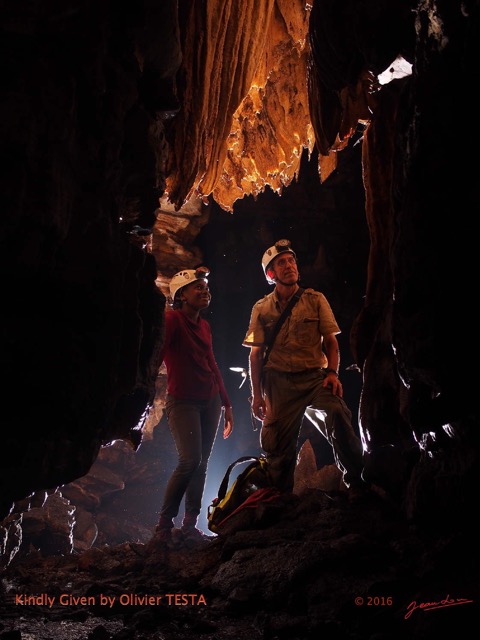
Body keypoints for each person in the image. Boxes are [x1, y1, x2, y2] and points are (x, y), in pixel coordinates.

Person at [243, 239, 366, 494]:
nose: (289, 266)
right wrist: (257, 395)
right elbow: (256, 355)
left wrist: (333, 373)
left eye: (291, 261)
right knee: (277, 447)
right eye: (281, 263)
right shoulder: (262, 308)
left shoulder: (315, 299)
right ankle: (280, 499)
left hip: (313, 378)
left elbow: (331, 342)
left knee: (337, 413)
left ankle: (357, 482)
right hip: (279, 384)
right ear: (271, 274)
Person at [155, 266, 234, 543]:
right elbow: (159, 354)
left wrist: (226, 403)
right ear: (182, 294)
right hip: (183, 401)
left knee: (202, 464)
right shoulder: (172, 320)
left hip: (209, 400)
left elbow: (211, 363)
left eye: (205, 287)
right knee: (190, 460)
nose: (204, 291)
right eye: (197, 287)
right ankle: (164, 526)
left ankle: (190, 524)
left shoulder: (204, 325)